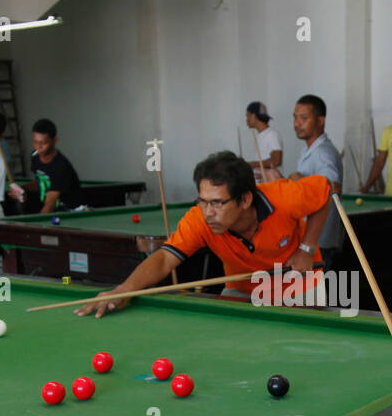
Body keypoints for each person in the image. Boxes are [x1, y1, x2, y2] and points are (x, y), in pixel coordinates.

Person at [78, 151, 329, 317]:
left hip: (300, 285)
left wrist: (306, 248)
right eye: (203, 200)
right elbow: (165, 258)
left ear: (245, 199)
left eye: (217, 203)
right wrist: (124, 289)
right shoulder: (201, 219)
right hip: (244, 290)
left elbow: (326, 192)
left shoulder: (284, 197)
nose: (209, 212)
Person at [287, 94, 343, 269]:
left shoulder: (323, 153)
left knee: (319, 295)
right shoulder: (310, 149)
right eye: (295, 118)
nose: (297, 123)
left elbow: (334, 188)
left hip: (320, 242)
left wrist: (297, 179)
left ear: (320, 121)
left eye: (304, 118)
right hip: (313, 240)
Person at [29, 118, 81, 213]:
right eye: (35, 142)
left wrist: (39, 224)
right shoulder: (35, 157)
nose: (38, 147)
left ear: (55, 140)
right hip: (54, 211)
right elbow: (39, 181)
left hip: (70, 212)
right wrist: (22, 189)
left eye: (43, 143)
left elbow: (50, 203)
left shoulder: (61, 166)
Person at [245, 101, 284, 183]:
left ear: (254, 116)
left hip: (271, 187)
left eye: (248, 116)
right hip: (261, 186)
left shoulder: (272, 134)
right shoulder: (260, 136)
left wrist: (252, 164)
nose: (246, 120)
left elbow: (276, 160)